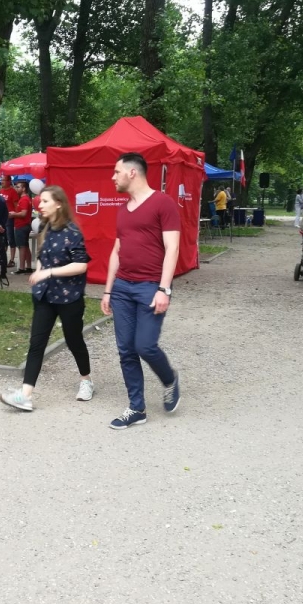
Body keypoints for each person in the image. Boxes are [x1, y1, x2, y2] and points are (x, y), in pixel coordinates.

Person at [101, 152, 180, 430]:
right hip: (123, 287)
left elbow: (172, 248)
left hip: (150, 286)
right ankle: (137, 408)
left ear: (132, 172)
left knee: (144, 345)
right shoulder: (123, 209)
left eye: (116, 171)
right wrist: (108, 290)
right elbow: (117, 250)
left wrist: (164, 289)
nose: (113, 177)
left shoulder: (163, 203)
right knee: (125, 350)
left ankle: (170, 379)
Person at [0, 186, 92, 411]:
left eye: (45, 201)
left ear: (58, 204)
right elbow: (42, 255)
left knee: (74, 340)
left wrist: (48, 272)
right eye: (40, 201)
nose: (39, 205)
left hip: (69, 297)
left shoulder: (72, 231)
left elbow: (81, 265)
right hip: (45, 296)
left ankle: (86, 380)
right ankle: (25, 396)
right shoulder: (44, 227)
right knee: (36, 343)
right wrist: (39, 271)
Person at [11, 181, 33, 273]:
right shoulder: (26, 199)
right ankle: (28, 267)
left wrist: (13, 214)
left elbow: (23, 213)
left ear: (24, 189)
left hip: (21, 225)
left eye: (18, 187)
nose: (16, 188)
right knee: (25, 246)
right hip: (24, 225)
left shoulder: (24, 199)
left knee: (22, 247)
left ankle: (21, 268)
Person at [0, 175, 18, 269]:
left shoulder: (13, 192)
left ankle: (12, 259)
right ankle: (3, 258)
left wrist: (14, 214)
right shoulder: (0, 191)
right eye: (1, 180)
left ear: (9, 181)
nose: (1, 182)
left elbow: (16, 205)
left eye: (3, 180)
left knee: (10, 238)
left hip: (9, 218)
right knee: (3, 239)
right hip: (1, 218)